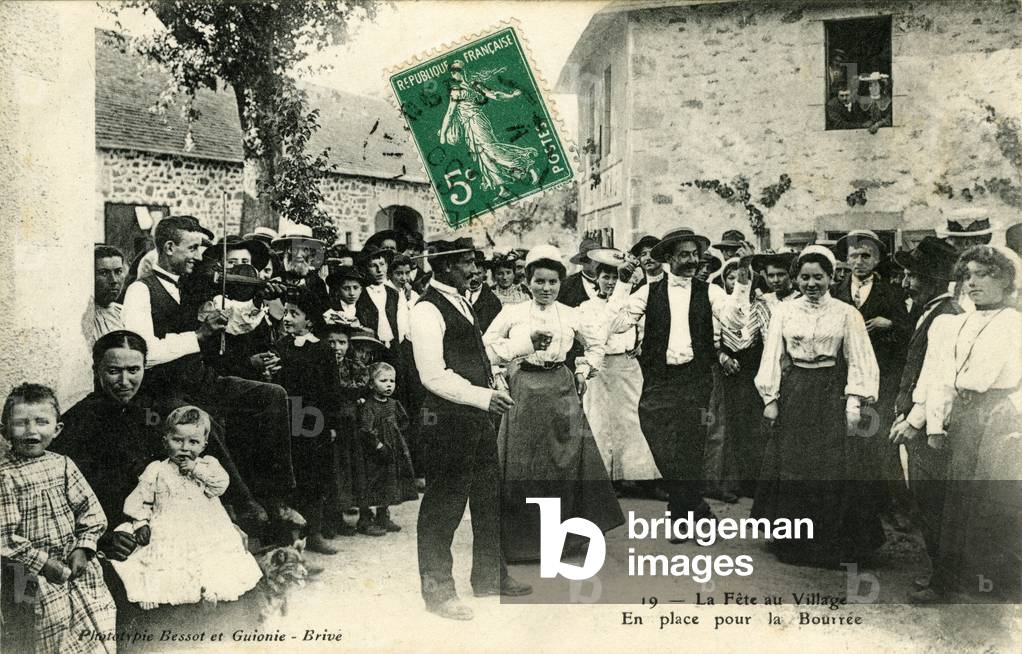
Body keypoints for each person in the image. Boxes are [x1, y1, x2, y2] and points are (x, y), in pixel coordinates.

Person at [121, 216, 301, 533]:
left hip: (201, 380)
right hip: (162, 390)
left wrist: (259, 298)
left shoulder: (196, 286)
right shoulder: (141, 290)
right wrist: (198, 335)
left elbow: (236, 323)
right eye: (192, 248)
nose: (198, 256)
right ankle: (244, 504)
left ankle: (276, 497)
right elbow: (142, 352)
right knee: (202, 419)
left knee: (272, 396)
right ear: (169, 247)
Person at [409, 238, 533, 621]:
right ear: (444, 268)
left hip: (474, 418)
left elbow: (473, 356)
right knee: (444, 504)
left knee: (487, 496)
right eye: (466, 263)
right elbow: (432, 374)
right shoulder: (426, 309)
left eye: (475, 262)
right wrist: (483, 397)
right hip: (447, 422)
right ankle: (438, 591)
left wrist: (521, 347)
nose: (475, 269)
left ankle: (489, 576)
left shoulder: (462, 301)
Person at [485, 245, 623, 562]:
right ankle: (522, 543)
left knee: (564, 462)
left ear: (561, 282)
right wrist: (498, 372)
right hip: (524, 391)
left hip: (561, 389)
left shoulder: (572, 315)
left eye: (553, 282)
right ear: (527, 282)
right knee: (524, 464)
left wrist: (583, 369)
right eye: (539, 282)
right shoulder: (513, 313)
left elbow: (596, 345)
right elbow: (487, 347)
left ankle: (565, 540)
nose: (546, 289)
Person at [609, 228, 748, 534]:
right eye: (684, 254)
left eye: (695, 254)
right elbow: (615, 324)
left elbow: (736, 322)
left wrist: (742, 287)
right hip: (659, 379)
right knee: (656, 435)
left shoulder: (709, 291)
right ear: (669, 258)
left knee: (690, 445)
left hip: (696, 379)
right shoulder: (649, 291)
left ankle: (679, 514)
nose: (692, 260)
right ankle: (695, 503)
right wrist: (621, 284)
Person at [903, 245, 1021, 602]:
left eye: (984, 274)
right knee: (958, 498)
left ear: (1006, 281)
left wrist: (1010, 407)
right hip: (966, 417)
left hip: (1003, 417)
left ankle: (999, 581)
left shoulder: (1015, 323)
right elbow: (939, 376)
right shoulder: (956, 322)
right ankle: (949, 581)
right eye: (967, 275)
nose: (973, 283)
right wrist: (929, 424)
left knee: (997, 497)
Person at [754, 245, 882, 567]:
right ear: (796, 279)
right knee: (795, 466)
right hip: (796, 392)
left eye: (819, 277)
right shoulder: (784, 311)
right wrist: (770, 398)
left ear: (831, 277)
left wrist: (854, 402)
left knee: (830, 467)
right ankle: (795, 544)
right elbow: (772, 355)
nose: (811, 284)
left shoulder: (846, 313)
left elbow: (859, 359)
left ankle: (831, 542)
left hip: (830, 393)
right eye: (805, 278)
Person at [0, 383, 116, 654]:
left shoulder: (63, 464)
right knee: (45, 632)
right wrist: (43, 564)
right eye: (20, 423)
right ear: (4, 430)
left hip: (75, 564)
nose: (31, 431)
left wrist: (84, 547)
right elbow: (3, 538)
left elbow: (91, 511)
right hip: (28, 574)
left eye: (42, 422)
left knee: (99, 619)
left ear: (57, 429)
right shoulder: (5, 475)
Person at [110, 406, 262, 609]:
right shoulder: (157, 469)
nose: (185, 448)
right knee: (161, 558)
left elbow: (221, 485)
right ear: (165, 441)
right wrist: (140, 523)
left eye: (193, 442)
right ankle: (153, 592)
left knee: (212, 555)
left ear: (204, 445)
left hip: (205, 524)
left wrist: (196, 469)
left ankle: (211, 587)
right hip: (169, 524)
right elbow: (141, 499)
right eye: (177, 440)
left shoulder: (208, 465)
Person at [886, 237, 961, 586]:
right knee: (927, 499)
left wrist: (915, 420)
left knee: (934, 503)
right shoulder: (930, 311)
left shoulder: (946, 318)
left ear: (932, 278)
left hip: (928, 423)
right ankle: (941, 573)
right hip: (917, 418)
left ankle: (943, 579)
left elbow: (939, 379)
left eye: (912, 276)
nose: (905, 283)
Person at [833, 230, 910, 516]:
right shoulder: (835, 291)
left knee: (879, 440)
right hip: (846, 377)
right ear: (846, 259)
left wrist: (887, 324)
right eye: (854, 255)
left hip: (881, 377)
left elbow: (908, 335)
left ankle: (894, 507)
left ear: (877, 259)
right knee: (851, 440)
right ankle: (856, 508)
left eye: (866, 256)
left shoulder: (891, 293)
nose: (859, 261)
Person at [272, 290, 341, 555]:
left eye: (294, 314)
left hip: (313, 418)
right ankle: (289, 536)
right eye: (286, 313)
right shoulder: (280, 346)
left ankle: (314, 532)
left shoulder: (322, 348)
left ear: (310, 321)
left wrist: (332, 423)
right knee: (291, 473)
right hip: (288, 416)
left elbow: (331, 388)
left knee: (314, 475)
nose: (287, 318)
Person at [578, 262, 660, 483]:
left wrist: (639, 343)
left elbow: (639, 326)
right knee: (599, 420)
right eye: (606, 277)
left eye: (616, 277)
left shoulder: (630, 302)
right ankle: (604, 478)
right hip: (600, 367)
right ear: (597, 279)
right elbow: (598, 333)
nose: (611, 282)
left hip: (626, 366)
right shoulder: (587, 306)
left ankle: (635, 476)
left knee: (631, 419)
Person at [711, 258, 772, 499]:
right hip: (728, 373)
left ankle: (754, 482)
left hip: (754, 370)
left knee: (755, 427)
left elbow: (769, 340)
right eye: (730, 277)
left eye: (741, 277)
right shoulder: (718, 306)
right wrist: (723, 357)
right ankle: (729, 482)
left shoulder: (761, 306)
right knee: (728, 427)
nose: (735, 282)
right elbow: (710, 339)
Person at [438, 59, 538, 198]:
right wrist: (443, 134)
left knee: (490, 149)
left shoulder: (474, 85)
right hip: (468, 126)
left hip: (478, 121)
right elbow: (449, 113)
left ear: (464, 71)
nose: (455, 74)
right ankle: (501, 186)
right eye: (453, 71)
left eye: (458, 70)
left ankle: (524, 164)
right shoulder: (455, 91)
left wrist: (511, 95)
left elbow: (494, 94)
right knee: (480, 154)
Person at [357, 362, 417, 536]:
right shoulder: (369, 406)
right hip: (374, 452)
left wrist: (398, 440)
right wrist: (378, 444)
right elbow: (365, 430)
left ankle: (383, 516)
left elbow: (404, 422)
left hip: (392, 450)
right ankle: (365, 519)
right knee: (371, 482)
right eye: (383, 380)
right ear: (371, 384)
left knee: (388, 481)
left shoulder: (393, 403)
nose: (389, 384)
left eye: (392, 380)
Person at [322, 323, 367, 538]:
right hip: (331, 422)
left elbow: (362, 384)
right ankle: (332, 518)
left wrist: (347, 391)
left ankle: (352, 513)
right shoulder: (320, 364)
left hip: (351, 424)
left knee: (350, 467)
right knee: (332, 469)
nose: (336, 347)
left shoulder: (353, 365)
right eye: (331, 342)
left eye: (341, 342)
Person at [93, 244, 126, 342]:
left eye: (118, 272)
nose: (114, 280)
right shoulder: (85, 317)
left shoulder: (124, 313)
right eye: (104, 273)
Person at [558, 237, 601, 307]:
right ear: (582, 261)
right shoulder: (567, 284)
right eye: (589, 259)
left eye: (598, 259)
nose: (595, 262)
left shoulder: (609, 281)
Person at [465, 262, 502, 333]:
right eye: (471, 274)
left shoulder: (493, 301)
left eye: (478, 274)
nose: (473, 278)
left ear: (485, 273)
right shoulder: (458, 294)